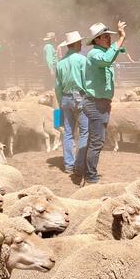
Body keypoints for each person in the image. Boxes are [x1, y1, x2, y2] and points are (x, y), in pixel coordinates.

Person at [80, 21, 127, 184]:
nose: (108, 39)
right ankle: (90, 177)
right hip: (94, 103)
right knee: (96, 140)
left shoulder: (99, 53)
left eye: (109, 36)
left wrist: (119, 45)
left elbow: (109, 57)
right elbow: (107, 60)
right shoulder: (95, 55)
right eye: (105, 37)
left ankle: (82, 169)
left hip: (96, 102)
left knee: (92, 139)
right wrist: (120, 39)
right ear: (97, 39)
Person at [55, 31, 90, 175]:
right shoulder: (82, 60)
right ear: (74, 44)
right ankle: (79, 164)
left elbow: (57, 86)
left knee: (68, 132)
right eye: (80, 42)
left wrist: (60, 103)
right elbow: (87, 81)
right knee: (84, 132)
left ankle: (68, 165)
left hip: (65, 98)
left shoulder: (60, 63)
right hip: (80, 97)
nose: (81, 44)